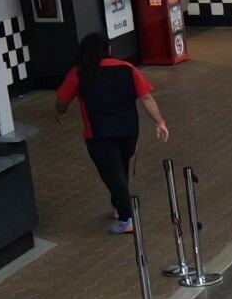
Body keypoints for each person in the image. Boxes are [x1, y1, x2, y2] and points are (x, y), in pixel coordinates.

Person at [53, 31, 167, 232]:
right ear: (109, 50)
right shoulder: (127, 68)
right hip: (129, 132)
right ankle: (119, 205)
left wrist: (60, 113)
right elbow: (146, 98)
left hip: (98, 134)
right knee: (120, 170)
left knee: (112, 174)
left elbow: (62, 100)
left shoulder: (79, 72)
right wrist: (160, 122)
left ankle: (127, 219)